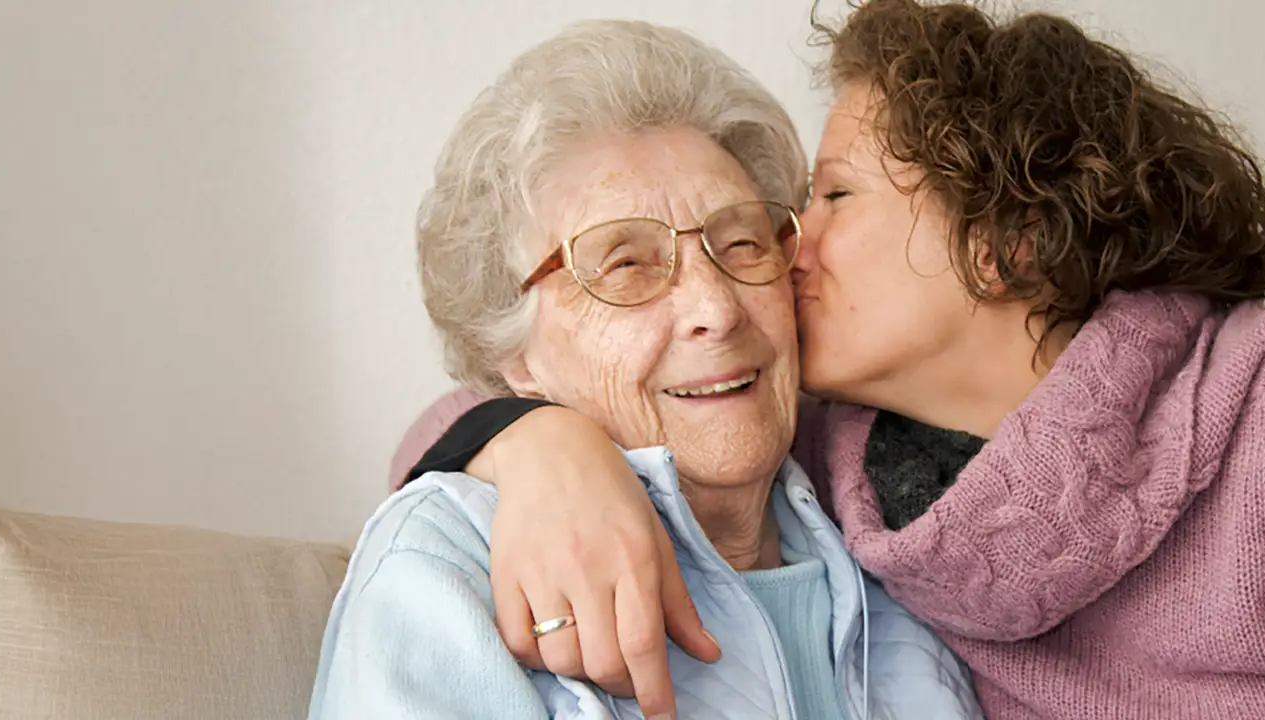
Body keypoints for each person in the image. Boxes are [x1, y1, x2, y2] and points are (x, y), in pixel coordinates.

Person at [396, 1, 1265, 717]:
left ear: (1002, 240)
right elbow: (532, 367)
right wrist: (539, 447)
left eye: (830, 197)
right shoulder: (836, 461)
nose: (777, 256)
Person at [310, 19, 981, 720]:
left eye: (744, 242)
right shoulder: (452, 567)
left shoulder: (900, 547)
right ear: (515, 355)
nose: (716, 309)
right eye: (625, 265)